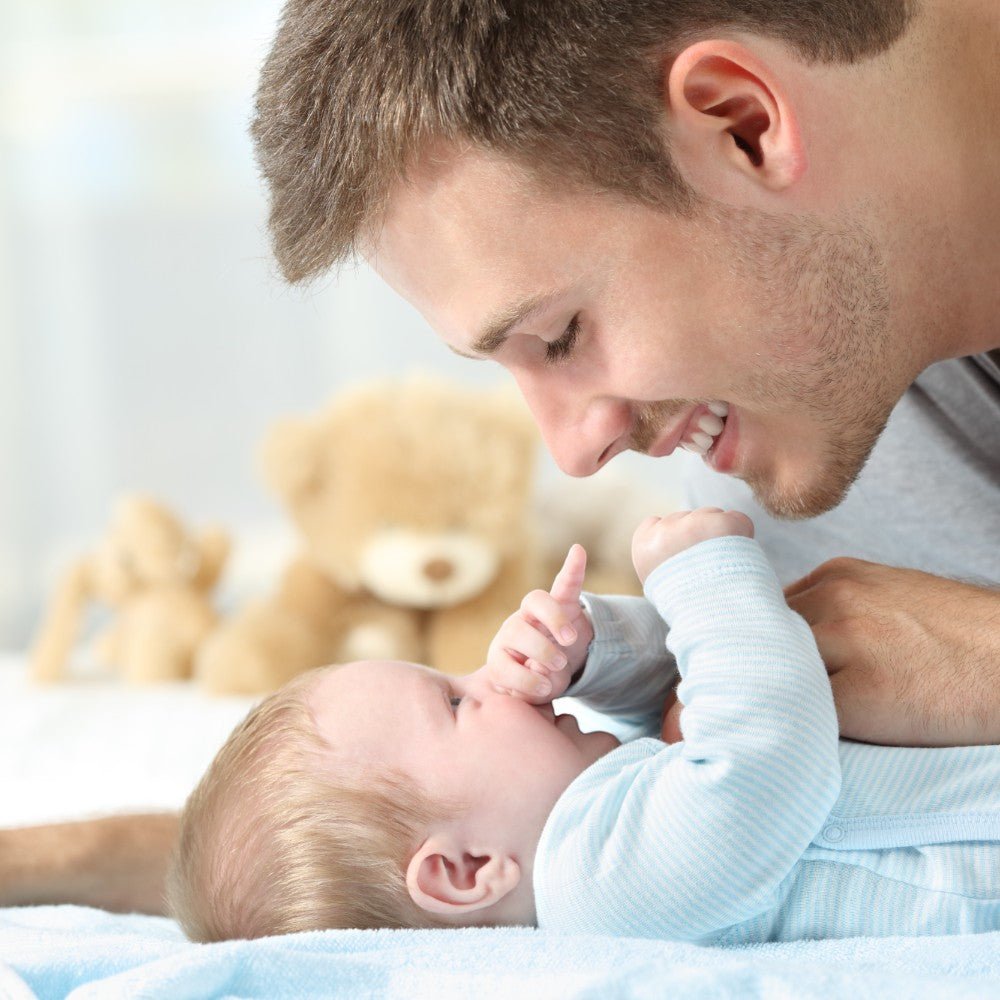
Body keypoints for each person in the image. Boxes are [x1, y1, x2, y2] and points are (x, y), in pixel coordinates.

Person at [3, 0, 999, 914]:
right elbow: (430, 837)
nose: (576, 451)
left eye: (563, 333)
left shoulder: (790, 349)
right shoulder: (795, 390)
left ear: (741, 122)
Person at [167, 509, 1000, 943]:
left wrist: (592, 653)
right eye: (457, 702)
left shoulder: (600, 827)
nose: (489, 676)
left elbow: (685, 702)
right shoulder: (607, 891)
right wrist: (703, 577)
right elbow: (763, 757)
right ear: (465, 871)